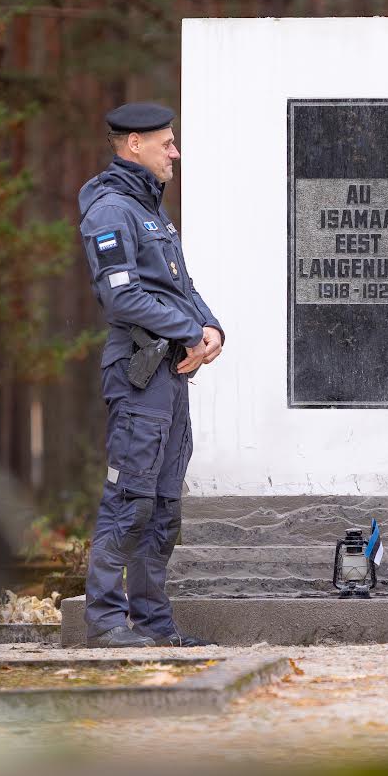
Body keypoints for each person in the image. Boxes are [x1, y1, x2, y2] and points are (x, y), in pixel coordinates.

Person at [76, 102, 224, 648]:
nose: (175, 152)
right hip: (138, 372)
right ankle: (108, 622)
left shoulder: (152, 211)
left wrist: (211, 329)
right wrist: (188, 329)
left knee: (163, 505)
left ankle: (154, 625)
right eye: (167, 143)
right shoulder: (111, 208)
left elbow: (178, 285)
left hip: (169, 371)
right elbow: (121, 296)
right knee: (129, 498)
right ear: (133, 143)